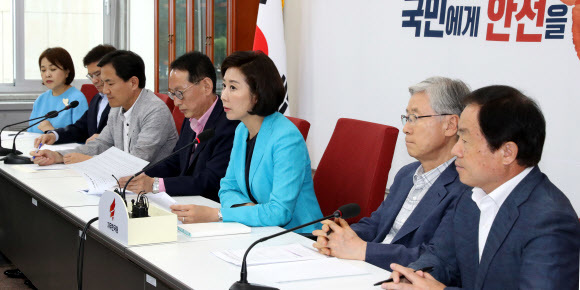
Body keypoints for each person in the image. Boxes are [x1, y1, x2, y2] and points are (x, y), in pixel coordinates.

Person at [384, 85, 580, 290]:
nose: (456, 149)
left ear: (507, 152)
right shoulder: (471, 197)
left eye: (465, 140)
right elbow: (441, 259)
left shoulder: (549, 220)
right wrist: (412, 274)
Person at [311, 77, 471, 270]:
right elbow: (375, 225)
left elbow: (437, 259)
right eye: (406, 118)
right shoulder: (407, 174)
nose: (406, 129)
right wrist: (339, 236)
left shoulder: (465, 187)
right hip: (365, 269)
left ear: (451, 125)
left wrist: (363, 250)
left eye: (415, 118)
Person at [169, 51, 323, 233]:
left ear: (257, 93)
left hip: (300, 237)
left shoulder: (287, 139)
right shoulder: (242, 129)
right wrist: (246, 210)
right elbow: (227, 187)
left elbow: (280, 212)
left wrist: (218, 214)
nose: (224, 95)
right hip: (257, 229)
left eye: (233, 88)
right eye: (224, 86)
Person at [118, 51, 238, 202]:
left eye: (180, 93)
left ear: (206, 87)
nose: (176, 102)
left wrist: (155, 185)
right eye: (172, 94)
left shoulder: (230, 123)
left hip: (212, 209)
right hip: (186, 203)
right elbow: (175, 162)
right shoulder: (191, 117)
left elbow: (210, 181)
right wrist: (139, 176)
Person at [31, 50, 178, 165]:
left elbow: (136, 161)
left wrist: (87, 161)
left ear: (133, 83)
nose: (105, 90)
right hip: (123, 184)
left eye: (110, 83)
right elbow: (102, 143)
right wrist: (58, 156)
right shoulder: (117, 108)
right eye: (104, 83)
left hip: (153, 192)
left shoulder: (154, 111)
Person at [34, 45, 116, 147]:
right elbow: (80, 129)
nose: (94, 80)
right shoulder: (97, 99)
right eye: (91, 76)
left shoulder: (124, 101)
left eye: (98, 74)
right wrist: (54, 135)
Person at [29, 47, 89, 134]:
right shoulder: (40, 99)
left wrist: (52, 132)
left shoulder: (77, 99)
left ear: (67, 72)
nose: (47, 74)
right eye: (43, 70)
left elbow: (81, 136)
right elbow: (30, 132)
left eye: (53, 69)